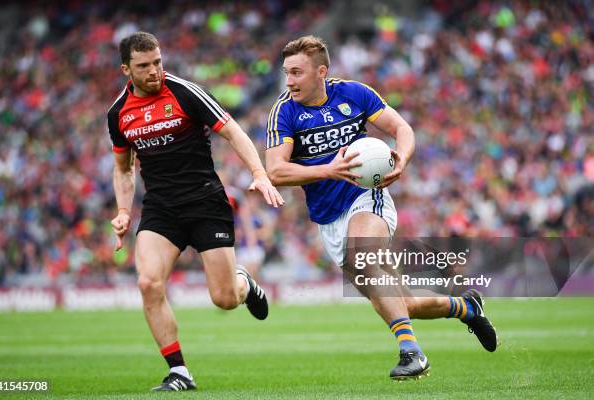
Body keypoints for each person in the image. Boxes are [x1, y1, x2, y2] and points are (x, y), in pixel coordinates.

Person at [265, 35, 497, 380]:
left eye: (296, 73)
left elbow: (401, 128)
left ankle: (412, 353)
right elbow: (276, 170)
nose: (289, 81)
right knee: (405, 304)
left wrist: (401, 158)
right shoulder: (284, 111)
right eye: (286, 73)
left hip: (366, 198)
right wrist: (328, 170)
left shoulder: (355, 93)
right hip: (328, 219)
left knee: (363, 256)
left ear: (321, 72)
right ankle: (465, 307)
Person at [107, 31, 284, 392]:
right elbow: (123, 168)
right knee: (147, 282)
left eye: (158, 62)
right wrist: (124, 211)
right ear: (127, 69)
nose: (155, 71)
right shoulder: (117, 114)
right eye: (144, 66)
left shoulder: (185, 92)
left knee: (223, 298)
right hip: (161, 209)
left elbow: (233, 131)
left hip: (205, 202)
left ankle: (244, 283)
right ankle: (179, 372)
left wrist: (259, 174)